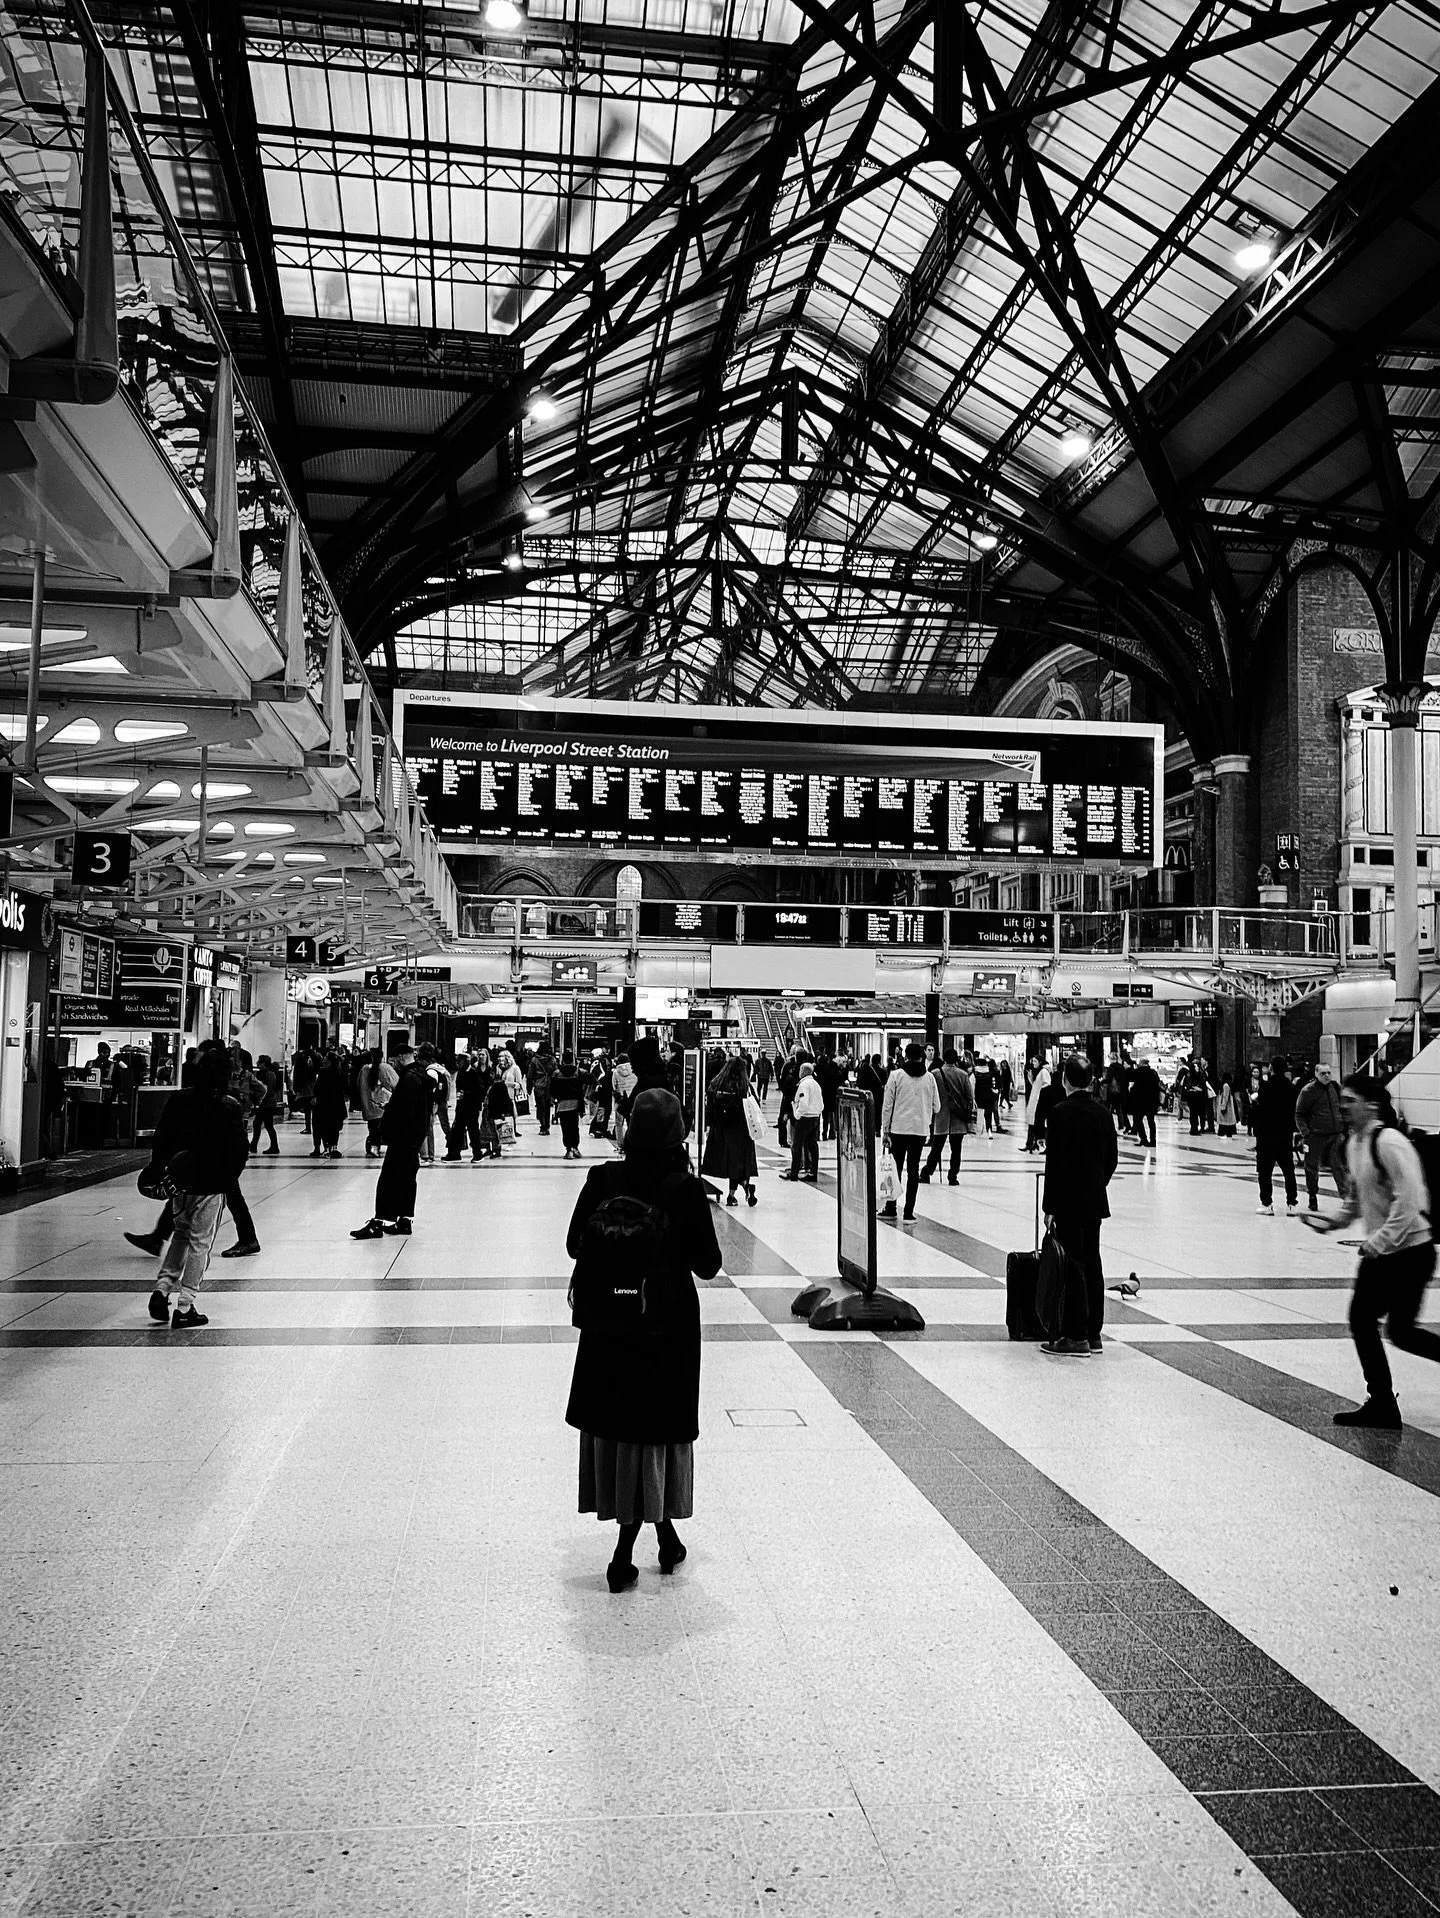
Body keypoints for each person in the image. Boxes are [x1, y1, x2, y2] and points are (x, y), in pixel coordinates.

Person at [565, 1088, 722, 1592]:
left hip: (608, 1327)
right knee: (654, 1431)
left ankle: (653, 1541)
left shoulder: (603, 1179)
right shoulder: (684, 1189)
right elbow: (709, 1265)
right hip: (665, 1331)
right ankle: (633, 1549)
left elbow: (573, 1244)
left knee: (620, 1425)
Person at [1309, 1076, 1440, 1429]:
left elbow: (1411, 1201)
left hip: (1410, 1252)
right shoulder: (1355, 1142)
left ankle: (1382, 1402)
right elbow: (1356, 1199)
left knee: (1376, 1323)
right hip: (1387, 1252)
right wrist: (1332, 1222)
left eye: (1350, 1100)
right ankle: (1381, 1402)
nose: (1343, 1106)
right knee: (1397, 1330)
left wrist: (1377, 1243)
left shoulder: (1391, 1142)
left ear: (1372, 1106)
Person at [142, 1047, 249, 1329]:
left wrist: (163, 1171)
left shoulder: (179, 1099)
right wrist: (228, 1178)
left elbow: (161, 1139)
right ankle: (186, 1304)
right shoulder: (228, 1105)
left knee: (180, 1234)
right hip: (211, 1184)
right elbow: (239, 1149)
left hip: (180, 1182)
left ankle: (162, 1288)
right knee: (200, 1243)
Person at [1040, 1052, 1119, 1356]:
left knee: (1073, 1265)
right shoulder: (1103, 1113)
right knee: (1092, 1261)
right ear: (1090, 1081)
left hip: (1068, 1202)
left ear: (1065, 1080)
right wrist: (1098, 1184)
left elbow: (1055, 1164)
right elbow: (1112, 1158)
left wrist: (1049, 1207)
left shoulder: (1059, 1113)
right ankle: (1094, 1332)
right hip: (1094, 1200)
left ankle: (1075, 1335)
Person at [350, 1043, 430, 1238]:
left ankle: (378, 1222)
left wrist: (389, 1123)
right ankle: (404, 1220)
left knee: (388, 1178)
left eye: (394, 1061)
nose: (393, 1065)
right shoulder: (422, 1075)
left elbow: (405, 1110)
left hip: (402, 1137)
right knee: (408, 1179)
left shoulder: (409, 1078)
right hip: (415, 1136)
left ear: (401, 1057)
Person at [880, 1041, 940, 1222]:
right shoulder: (929, 1078)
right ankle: (908, 1212)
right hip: (919, 1130)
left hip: (898, 1129)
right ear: (922, 1057)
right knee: (913, 1170)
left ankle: (891, 1207)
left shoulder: (896, 1075)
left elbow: (887, 1105)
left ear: (905, 1056)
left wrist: (885, 1130)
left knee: (895, 1169)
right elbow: (937, 1107)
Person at [702, 1050, 758, 1207]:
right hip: (741, 1129)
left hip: (720, 1129)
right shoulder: (744, 1087)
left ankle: (736, 1193)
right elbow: (754, 1106)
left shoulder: (716, 1084)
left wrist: (709, 1125)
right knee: (740, 1162)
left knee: (728, 1163)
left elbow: (710, 1108)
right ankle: (739, 1190)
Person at [1296, 1059, 1347, 1211]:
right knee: (1312, 1168)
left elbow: (1342, 1108)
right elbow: (1299, 1114)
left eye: (1328, 1073)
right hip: (1315, 1136)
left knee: (1338, 1167)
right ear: (1316, 1074)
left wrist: (1344, 1128)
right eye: (1323, 1073)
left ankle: (1346, 1197)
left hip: (1335, 1134)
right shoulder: (1308, 1091)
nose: (1326, 1076)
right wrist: (1306, 1133)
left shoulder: (1335, 1088)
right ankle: (1312, 1195)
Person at [1251, 1059, 1299, 1215]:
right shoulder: (1291, 1088)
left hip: (1267, 1134)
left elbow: (1262, 1109)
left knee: (1265, 1171)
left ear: (1271, 1068)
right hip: (1284, 1133)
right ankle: (1291, 1203)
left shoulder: (1266, 1086)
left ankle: (1267, 1203)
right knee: (1288, 1170)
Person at [920, 1047, 973, 1185]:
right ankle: (953, 1176)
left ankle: (927, 1173)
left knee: (936, 1148)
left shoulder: (935, 1074)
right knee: (956, 1150)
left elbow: (929, 1094)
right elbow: (969, 1096)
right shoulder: (963, 1075)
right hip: (958, 1118)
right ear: (956, 1059)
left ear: (944, 1058)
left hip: (941, 1116)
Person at [780, 1060, 823, 1181]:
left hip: (805, 1118)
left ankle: (794, 1173)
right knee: (813, 1145)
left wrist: (797, 1114)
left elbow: (803, 1103)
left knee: (797, 1145)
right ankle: (813, 1172)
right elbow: (821, 1103)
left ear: (803, 1072)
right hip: (815, 1117)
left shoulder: (804, 1085)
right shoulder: (815, 1084)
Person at [312, 1050, 348, 1158]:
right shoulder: (341, 1072)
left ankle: (326, 1148)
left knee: (324, 1126)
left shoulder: (324, 1072)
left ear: (329, 1061)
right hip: (337, 1103)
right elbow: (345, 1087)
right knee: (334, 1127)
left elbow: (318, 1088)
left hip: (325, 1103)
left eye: (326, 1058)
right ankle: (334, 1148)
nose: (323, 1059)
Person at [552, 1050, 586, 1159]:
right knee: (574, 1127)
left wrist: (555, 1098)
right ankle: (575, 1147)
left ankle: (569, 1150)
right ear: (573, 1060)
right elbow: (590, 1079)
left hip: (562, 1104)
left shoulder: (557, 1073)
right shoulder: (578, 1072)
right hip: (575, 1104)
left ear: (562, 1060)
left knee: (565, 1128)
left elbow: (552, 1089)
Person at [250, 1055, 281, 1154]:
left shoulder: (266, 1074)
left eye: (259, 1062)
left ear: (263, 1064)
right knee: (266, 1124)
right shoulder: (270, 1073)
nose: (257, 1063)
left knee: (260, 1123)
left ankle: (255, 1145)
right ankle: (270, 1145)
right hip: (269, 1101)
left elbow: (265, 1089)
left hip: (267, 1102)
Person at [611, 1048, 637, 1154]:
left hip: (620, 1101)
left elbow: (614, 1087)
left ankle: (621, 1146)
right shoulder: (634, 1070)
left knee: (619, 1124)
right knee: (632, 1123)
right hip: (633, 1101)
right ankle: (632, 1144)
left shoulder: (615, 1072)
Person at [1130, 1058, 1160, 1148]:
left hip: (1140, 1101)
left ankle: (1143, 1139)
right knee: (1151, 1121)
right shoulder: (1153, 1073)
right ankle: (1153, 1140)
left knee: (1138, 1120)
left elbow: (1134, 1085)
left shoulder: (1138, 1072)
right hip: (1151, 1101)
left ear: (1141, 1063)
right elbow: (1157, 1087)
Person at [1023, 1057, 1051, 1153]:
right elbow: (1036, 1084)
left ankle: (1037, 1144)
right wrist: (1030, 1078)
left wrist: (1040, 1096)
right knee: (1032, 1122)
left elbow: (1047, 1084)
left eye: (1035, 1061)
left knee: (1037, 1123)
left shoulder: (1044, 1071)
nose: (1033, 1063)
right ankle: (1030, 1144)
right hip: (1035, 1099)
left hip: (1038, 1100)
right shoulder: (1039, 1071)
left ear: (1040, 1062)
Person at [530, 1041, 556, 1137]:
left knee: (540, 1106)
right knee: (547, 1106)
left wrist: (529, 1087)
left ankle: (542, 1125)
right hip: (549, 1085)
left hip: (539, 1084)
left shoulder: (535, 1060)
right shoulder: (552, 1060)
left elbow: (530, 1074)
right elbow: (555, 1072)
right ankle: (547, 1126)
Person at [1216, 1074, 1239, 1138]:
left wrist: (1223, 1106)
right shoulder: (1228, 1085)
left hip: (1226, 1107)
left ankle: (1224, 1133)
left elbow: (1225, 1097)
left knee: (1225, 1120)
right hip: (1227, 1106)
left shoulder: (1225, 1085)